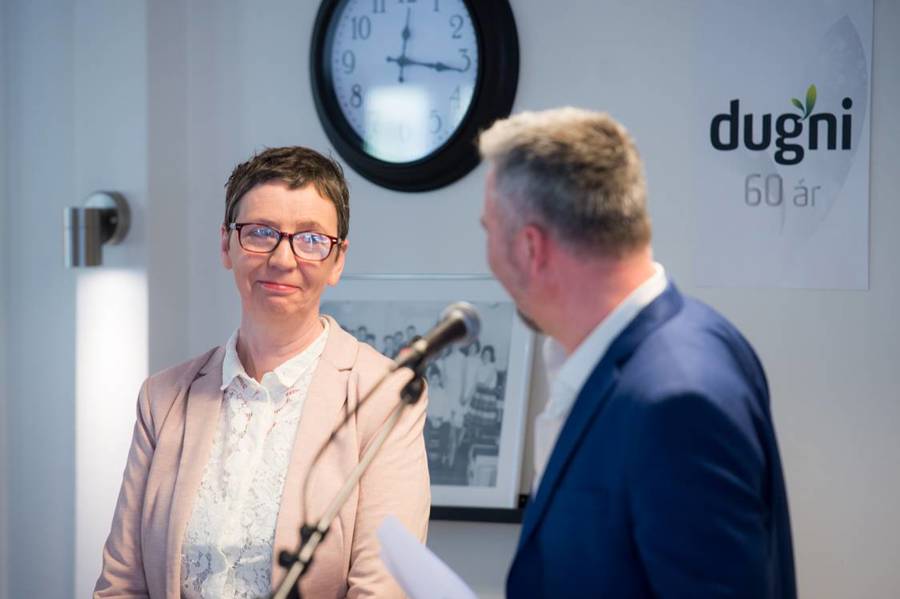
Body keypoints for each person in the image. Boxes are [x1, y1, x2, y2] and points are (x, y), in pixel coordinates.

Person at [478, 108, 796, 598]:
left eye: (488, 231)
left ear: (530, 248)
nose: (487, 254)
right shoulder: (685, 340)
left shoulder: (678, 399)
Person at [94, 147, 430, 598]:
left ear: (338, 260)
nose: (283, 259)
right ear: (226, 244)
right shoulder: (163, 398)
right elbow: (121, 584)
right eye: (260, 233)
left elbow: (384, 589)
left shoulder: (385, 397)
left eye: (311, 239)